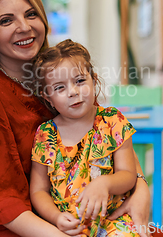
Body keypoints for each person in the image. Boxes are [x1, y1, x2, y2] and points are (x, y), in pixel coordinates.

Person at [0, 0, 163, 237]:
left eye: (31, 14)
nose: (24, 27)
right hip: (6, 223)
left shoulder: (61, 75)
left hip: (76, 215)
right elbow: (4, 202)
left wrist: (141, 190)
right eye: (6, 20)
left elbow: (106, 134)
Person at [30, 39, 138, 237]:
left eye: (80, 81)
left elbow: (129, 175)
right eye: (60, 88)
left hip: (112, 221)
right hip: (68, 226)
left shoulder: (113, 121)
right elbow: (38, 190)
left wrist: (105, 183)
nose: (73, 92)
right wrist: (56, 217)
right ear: (47, 97)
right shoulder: (45, 134)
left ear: (94, 80)